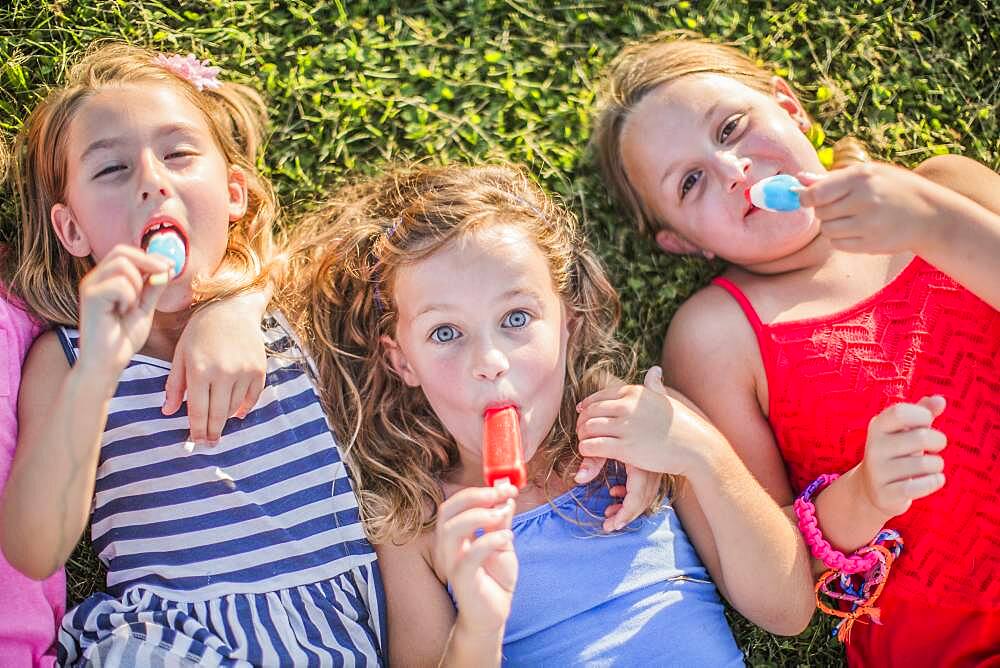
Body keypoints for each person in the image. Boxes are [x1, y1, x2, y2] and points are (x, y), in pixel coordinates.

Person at [283, 163, 814, 666]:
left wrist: (701, 454)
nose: (489, 361)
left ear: (567, 324)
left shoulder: (649, 431)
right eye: (445, 333)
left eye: (516, 317)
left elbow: (787, 611)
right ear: (403, 360)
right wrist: (480, 625)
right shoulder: (417, 526)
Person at [591, 31, 1000, 666]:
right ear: (680, 241)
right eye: (692, 181)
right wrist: (864, 493)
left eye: (731, 128)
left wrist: (931, 221)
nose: (734, 172)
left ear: (789, 106)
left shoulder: (943, 190)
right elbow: (780, 573)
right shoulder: (717, 336)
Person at [0, 43, 384, 666]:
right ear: (73, 231)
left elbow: (394, 247)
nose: (153, 180)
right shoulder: (67, 358)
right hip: (171, 639)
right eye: (111, 170)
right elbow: (34, 549)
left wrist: (235, 304)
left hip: (335, 630)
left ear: (234, 193)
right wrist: (100, 368)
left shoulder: (292, 307)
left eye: (178, 154)